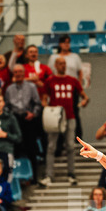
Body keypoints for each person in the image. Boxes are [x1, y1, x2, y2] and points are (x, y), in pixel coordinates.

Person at [42, 56, 88, 187]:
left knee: (70, 145)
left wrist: (84, 101)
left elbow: (84, 96)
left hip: (69, 116)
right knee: (51, 146)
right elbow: (44, 98)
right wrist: (46, 108)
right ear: (55, 66)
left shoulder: (72, 80)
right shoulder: (50, 81)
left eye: (64, 63)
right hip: (55, 117)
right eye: (60, 64)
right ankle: (49, 175)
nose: (63, 66)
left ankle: (71, 173)